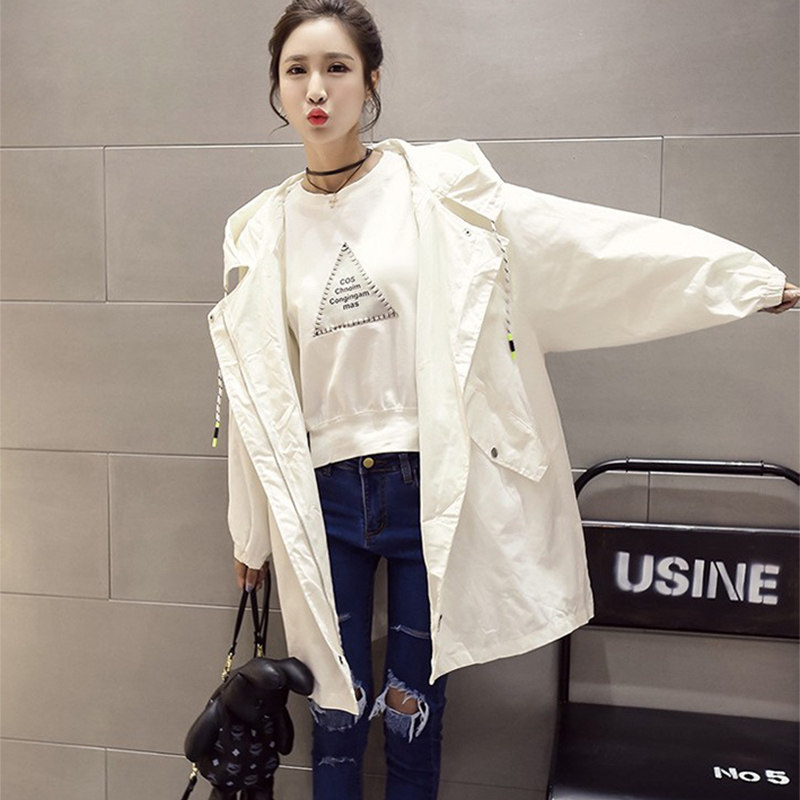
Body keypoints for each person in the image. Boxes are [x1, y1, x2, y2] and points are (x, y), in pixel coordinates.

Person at [207, 1, 799, 797]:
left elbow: (584, 245)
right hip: (323, 501)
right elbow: (257, 398)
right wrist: (250, 534)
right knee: (335, 715)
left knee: (414, 712)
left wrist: (737, 283)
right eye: (297, 70)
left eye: (337, 67)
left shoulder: (441, 192)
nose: (317, 89)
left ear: (371, 81)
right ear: (277, 88)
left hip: (430, 491)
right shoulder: (262, 230)